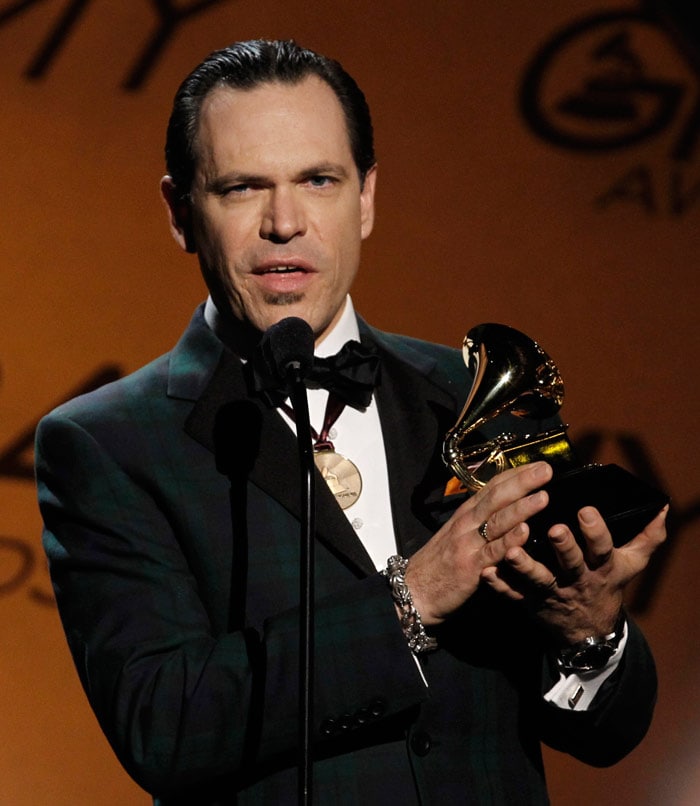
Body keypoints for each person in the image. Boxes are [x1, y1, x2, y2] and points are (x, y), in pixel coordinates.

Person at [35, 39, 668, 805]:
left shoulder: (468, 392)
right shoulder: (107, 444)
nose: (284, 222)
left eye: (318, 180)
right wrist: (413, 599)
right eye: (241, 188)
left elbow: (608, 733)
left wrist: (589, 631)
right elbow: (164, 726)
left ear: (365, 198)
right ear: (180, 212)